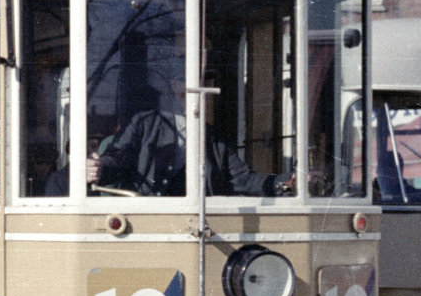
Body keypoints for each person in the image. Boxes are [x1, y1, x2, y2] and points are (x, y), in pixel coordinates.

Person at [88, 62, 292, 197]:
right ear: (173, 85)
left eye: (203, 81)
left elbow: (245, 180)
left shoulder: (215, 140)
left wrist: (287, 182)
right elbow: (117, 159)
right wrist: (98, 169)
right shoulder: (144, 124)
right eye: (185, 81)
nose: (195, 87)